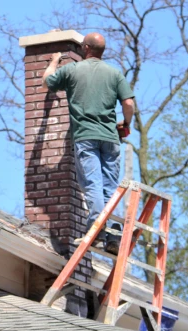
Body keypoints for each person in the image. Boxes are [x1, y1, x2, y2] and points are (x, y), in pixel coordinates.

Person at [42, 32, 135, 254]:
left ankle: (96, 230)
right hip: (111, 138)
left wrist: (55, 60)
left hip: (86, 136)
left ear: (85, 48)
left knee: (93, 185)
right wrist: (126, 124)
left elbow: (47, 82)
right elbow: (128, 103)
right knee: (110, 187)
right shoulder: (114, 74)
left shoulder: (73, 70)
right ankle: (112, 233)